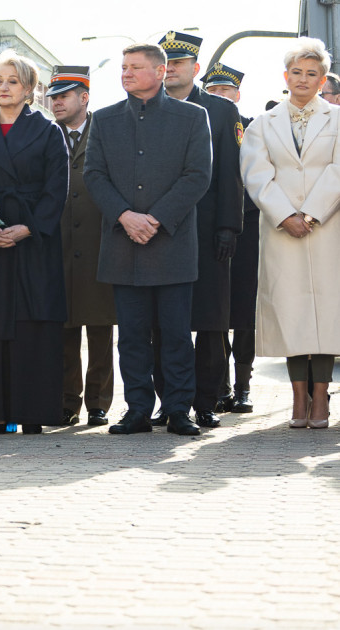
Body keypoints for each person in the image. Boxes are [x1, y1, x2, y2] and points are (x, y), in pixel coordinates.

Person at [84, 43, 212, 437]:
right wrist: (125, 216)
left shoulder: (192, 117)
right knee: (133, 336)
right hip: (124, 245)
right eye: (123, 67)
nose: (125, 73)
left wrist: (154, 219)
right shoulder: (104, 120)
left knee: (175, 334)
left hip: (170, 244)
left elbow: (197, 175)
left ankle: (178, 410)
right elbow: (94, 176)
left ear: (160, 72)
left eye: (135, 67)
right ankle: (137, 409)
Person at [0, 52, 69, 435]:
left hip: (33, 240)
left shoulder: (49, 131)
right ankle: (0, 413)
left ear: (29, 88)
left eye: (12, 81)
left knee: (32, 323)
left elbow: (57, 190)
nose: (4, 87)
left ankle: (34, 411)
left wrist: (27, 228)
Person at [240, 37, 340, 428]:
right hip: (281, 231)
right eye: (296, 72)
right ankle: (297, 400)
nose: (303, 78)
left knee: (326, 315)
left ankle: (320, 399)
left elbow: (337, 171)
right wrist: (286, 215)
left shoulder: (338, 119)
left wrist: (312, 214)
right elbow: (255, 173)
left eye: (312, 73)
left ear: (322, 80)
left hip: (327, 228)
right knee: (291, 315)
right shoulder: (263, 124)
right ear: (286, 77)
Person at [156, 31, 245, 429]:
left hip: (209, 231)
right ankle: (168, 400)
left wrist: (229, 226)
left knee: (210, 321)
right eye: (166, 62)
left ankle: (206, 400)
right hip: (159, 232)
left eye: (178, 62)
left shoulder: (221, 112)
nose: (171, 68)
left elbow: (231, 175)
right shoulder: (145, 108)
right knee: (163, 323)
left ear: (196, 68)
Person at [48, 66, 116, 427]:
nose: (56, 102)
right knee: (63, 329)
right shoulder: (46, 135)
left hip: (99, 243)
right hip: (58, 244)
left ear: (84, 98)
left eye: (64, 96)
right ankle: (66, 401)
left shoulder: (105, 131)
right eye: (53, 97)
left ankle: (99, 402)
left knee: (101, 328)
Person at [204, 63, 258, 414]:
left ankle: (243, 384)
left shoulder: (255, 128)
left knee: (243, 308)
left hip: (249, 223)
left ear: (237, 95)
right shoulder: (194, 125)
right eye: (213, 91)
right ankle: (219, 384)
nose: (220, 96)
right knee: (216, 309)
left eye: (226, 91)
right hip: (212, 224)